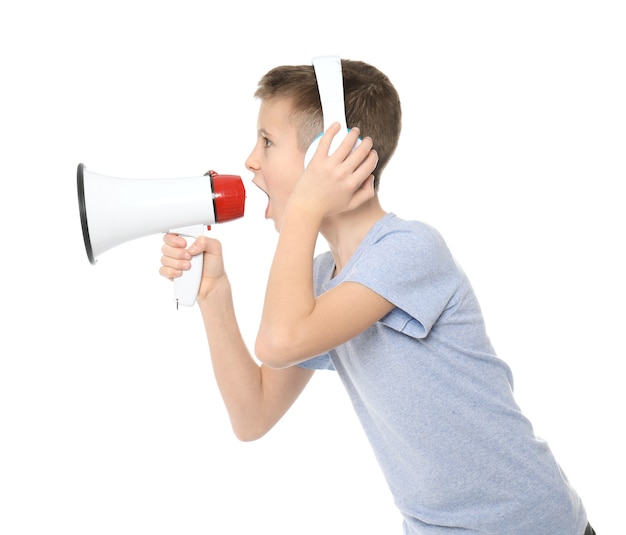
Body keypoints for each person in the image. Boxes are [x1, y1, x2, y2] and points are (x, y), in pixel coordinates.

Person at [159, 59, 594, 535]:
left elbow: (278, 341)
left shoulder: (408, 249)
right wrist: (215, 295)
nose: (250, 161)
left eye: (267, 141)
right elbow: (253, 415)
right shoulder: (324, 280)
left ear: (331, 154)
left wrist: (306, 203)